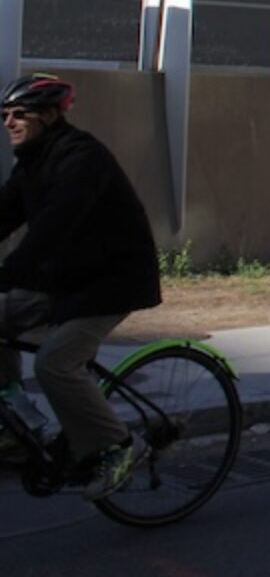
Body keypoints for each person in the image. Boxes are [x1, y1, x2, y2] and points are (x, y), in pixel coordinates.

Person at [0, 74, 160, 498]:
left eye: (20, 115)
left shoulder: (81, 158)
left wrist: (9, 272)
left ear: (51, 116)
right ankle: (17, 421)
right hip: (62, 279)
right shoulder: (32, 163)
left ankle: (121, 445)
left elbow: (54, 225)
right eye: (5, 116)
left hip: (109, 283)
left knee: (54, 364)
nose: (9, 123)